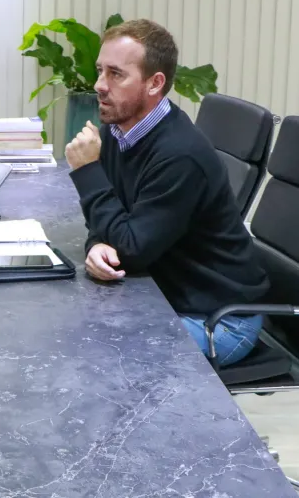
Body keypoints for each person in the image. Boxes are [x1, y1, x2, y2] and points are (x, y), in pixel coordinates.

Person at [64, 19, 269, 366]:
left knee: (98, 353)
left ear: (155, 83)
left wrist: (87, 170)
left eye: (116, 74)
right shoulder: (118, 131)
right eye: (100, 71)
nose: (100, 85)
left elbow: (131, 250)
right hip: (168, 295)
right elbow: (113, 215)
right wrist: (96, 244)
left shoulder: (179, 155)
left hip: (219, 321)